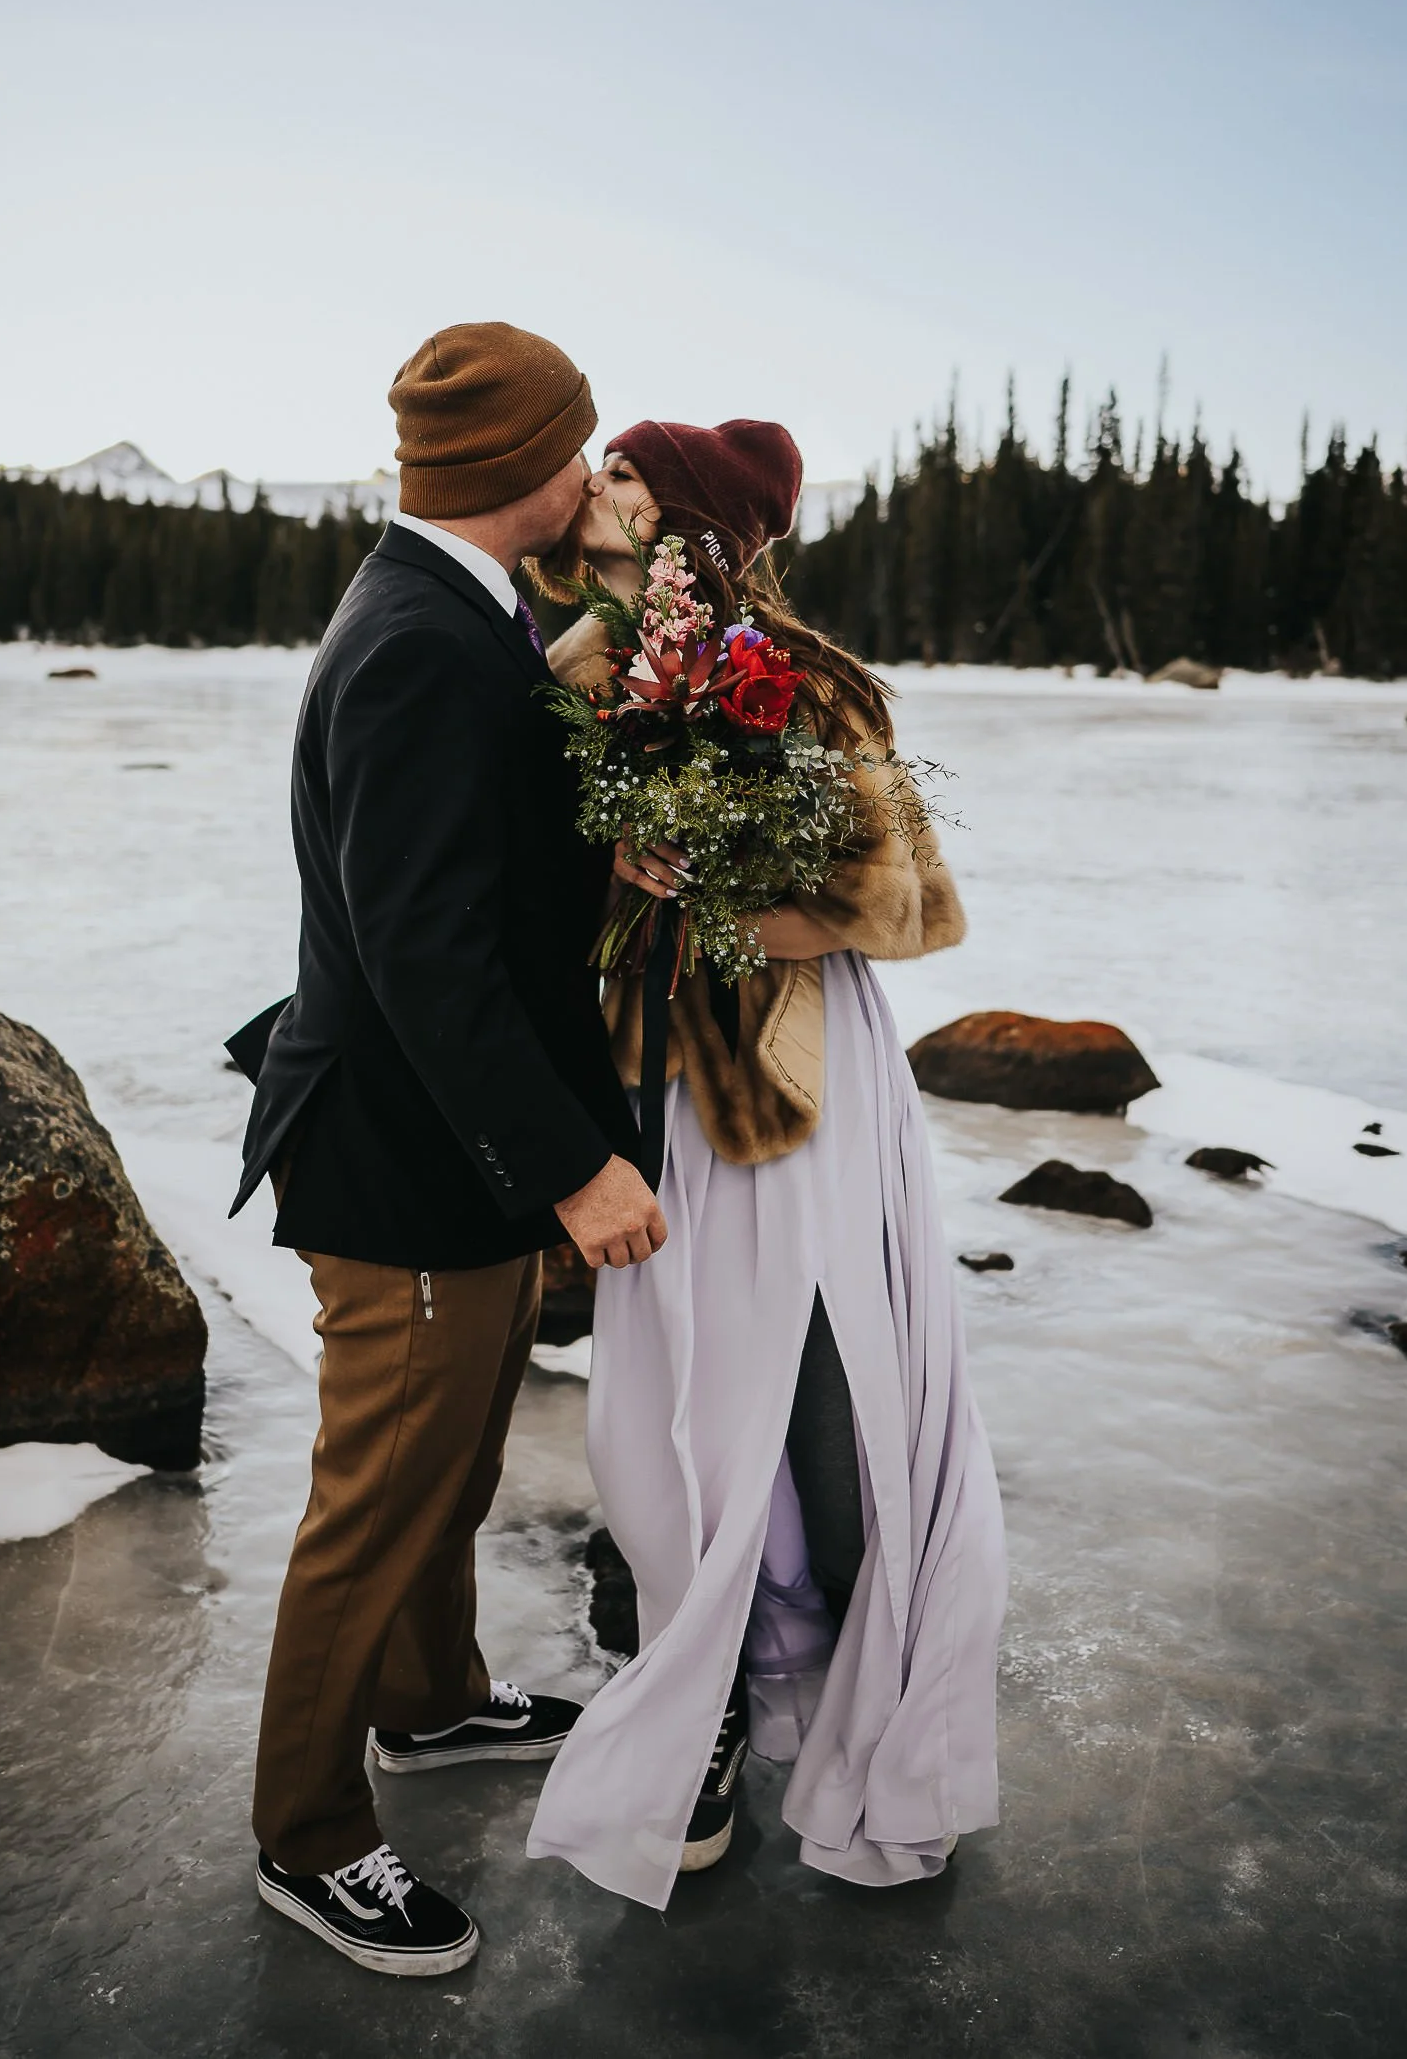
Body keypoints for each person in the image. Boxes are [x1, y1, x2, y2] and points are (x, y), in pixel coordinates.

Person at [226, 323, 663, 1978]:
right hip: (405, 1161)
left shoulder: (464, 615)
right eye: (582, 447)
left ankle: (430, 1703)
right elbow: (425, 957)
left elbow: (480, 879)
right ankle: (308, 1833)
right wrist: (571, 1166)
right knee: (380, 1495)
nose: (593, 471)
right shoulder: (416, 638)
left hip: (447, 1155)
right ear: (520, 471)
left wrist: (616, 859)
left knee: (453, 1460)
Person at [526, 418, 1007, 1909]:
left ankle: (871, 1705)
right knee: (656, 1417)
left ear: (690, 521)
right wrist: (603, 866)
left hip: (788, 1092)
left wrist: (710, 893)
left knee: (813, 1396)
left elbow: (910, 906)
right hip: (638, 1088)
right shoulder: (567, 669)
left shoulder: (809, 683)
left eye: (621, 473)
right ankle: (705, 1694)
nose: (591, 488)